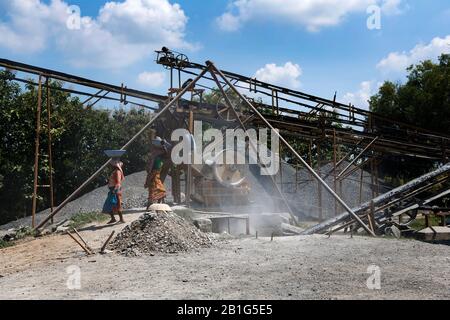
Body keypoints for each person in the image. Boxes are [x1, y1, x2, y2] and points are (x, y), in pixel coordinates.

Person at [145, 137, 170, 210]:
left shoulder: (157, 155)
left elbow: (151, 164)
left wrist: (149, 172)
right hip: (155, 173)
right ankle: (155, 204)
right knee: (157, 188)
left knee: (155, 189)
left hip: (154, 173)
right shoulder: (158, 155)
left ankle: (152, 205)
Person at [102, 160, 125, 224]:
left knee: (116, 204)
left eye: (111, 165)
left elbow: (118, 183)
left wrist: (114, 191)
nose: (110, 167)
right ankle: (114, 218)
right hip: (113, 190)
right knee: (111, 205)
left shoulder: (117, 172)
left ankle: (121, 219)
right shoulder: (115, 171)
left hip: (115, 191)